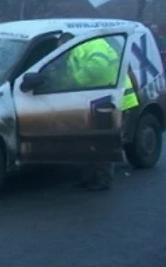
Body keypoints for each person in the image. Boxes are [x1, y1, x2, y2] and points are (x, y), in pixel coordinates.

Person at [57, 33, 139, 191]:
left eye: (60, 46)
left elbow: (99, 66)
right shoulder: (75, 53)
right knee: (91, 142)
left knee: (105, 142)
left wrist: (76, 80)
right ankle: (88, 177)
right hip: (101, 102)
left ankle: (103, 180)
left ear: (66, 42)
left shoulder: (90, 45)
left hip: (118, 102)